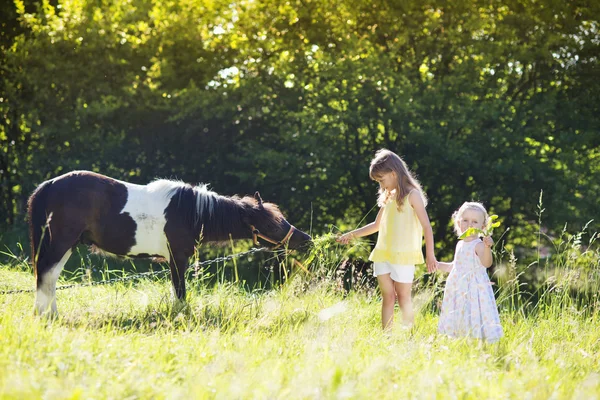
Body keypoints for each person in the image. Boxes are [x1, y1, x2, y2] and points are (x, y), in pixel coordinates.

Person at [337, 149, 437, 329]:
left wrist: (430, 255)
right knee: (388, 297)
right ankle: (387, 336)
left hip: (403, 255)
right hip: (383, 253)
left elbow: (427, 227)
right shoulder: (388, 196)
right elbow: (376, 225)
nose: (381, 186)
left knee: (403, 297)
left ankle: (408, 336)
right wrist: (350, 235)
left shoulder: (413, 196)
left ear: (393, 173)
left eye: (381, 180)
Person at [437, 202, 503, 342]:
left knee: (474, 312)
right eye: (465, 220)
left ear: (483, 227)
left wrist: (487, 247)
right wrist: (437, 265)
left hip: (474, 289)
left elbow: (487, 263)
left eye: (474, 221)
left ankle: (477, 339)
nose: (469, 225)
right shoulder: (460, 243)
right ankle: (461, 338)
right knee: (460, 312)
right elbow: (456, 266)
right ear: (458, 222)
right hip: (458, 288)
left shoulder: (478, 245)